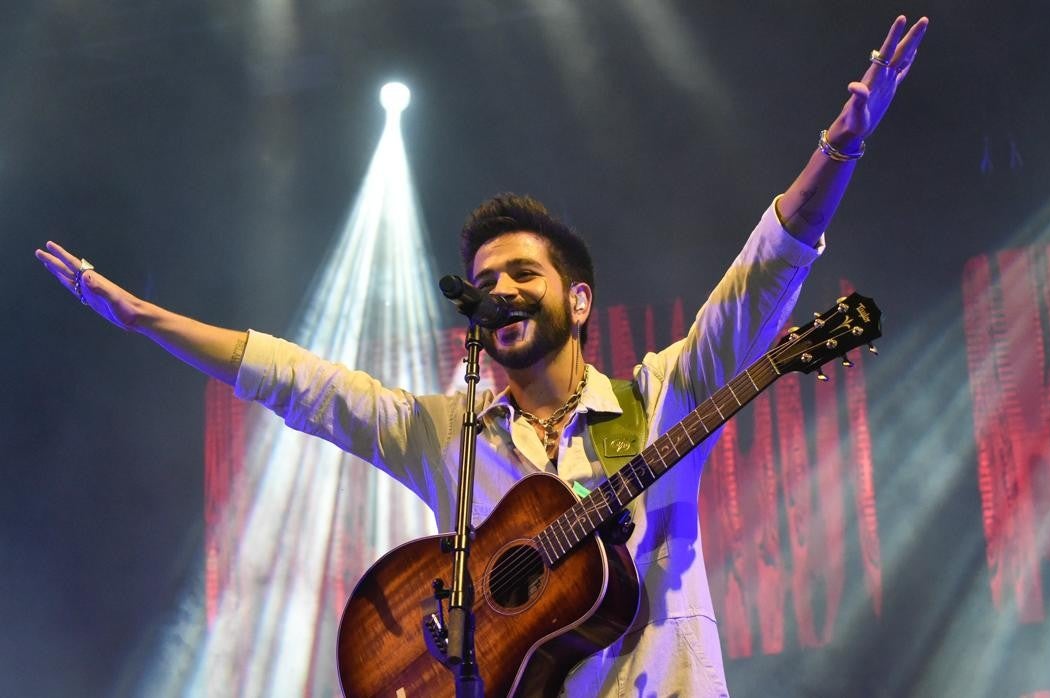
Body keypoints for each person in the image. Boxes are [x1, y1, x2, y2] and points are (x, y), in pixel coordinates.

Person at [36, 15, 928, 697]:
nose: (498, 286)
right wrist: (146, 318)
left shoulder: (657, 399)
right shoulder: (449, 436)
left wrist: (843, 143)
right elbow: (299, 384)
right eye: (483, 278)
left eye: (520, 272)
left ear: (577, 300)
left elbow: (763, 276)